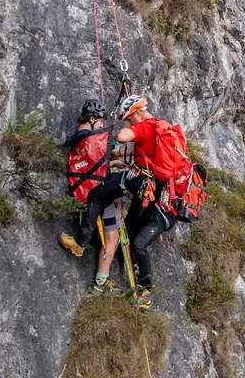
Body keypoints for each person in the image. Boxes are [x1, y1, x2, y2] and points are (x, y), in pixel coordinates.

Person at [112, 94, 177, 310]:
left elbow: (123, 138)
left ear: (138, 114)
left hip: (164, 210)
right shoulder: (155, 143)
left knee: (139, 243)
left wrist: (134, 130)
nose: (130, 123)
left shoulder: (149, 131)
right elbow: (133, 154)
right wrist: (118, 160)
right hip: (153, 202)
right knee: (131, 226)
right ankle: (127, 254)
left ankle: (146, 292)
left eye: (131, 119)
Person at [58, 99, 128, 295]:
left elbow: (92, 162)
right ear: (91, 119)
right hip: (98, 191)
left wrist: (113, 164)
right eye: (100, 121)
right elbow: (94, 159)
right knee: (111, 236)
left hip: (94, 188)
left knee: (112, 236)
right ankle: (100, 281)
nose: (103, 126)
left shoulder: (79, 139)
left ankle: (101, 282)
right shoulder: (87, 138)